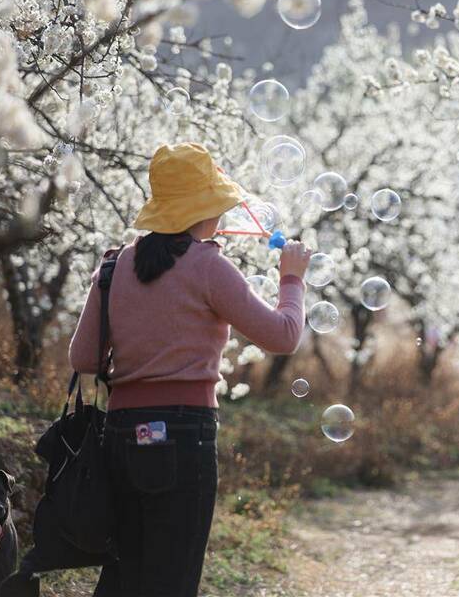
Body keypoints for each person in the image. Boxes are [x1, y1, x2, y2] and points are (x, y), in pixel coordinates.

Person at [67, 142, 312, 597]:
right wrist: (292, 278)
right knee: (171, 579)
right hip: (181, 435)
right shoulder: (207, 266)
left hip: (121, 434)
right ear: (205, 209)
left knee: (123, 574)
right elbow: (283, 336)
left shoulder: (115, 264)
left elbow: (83, 360)